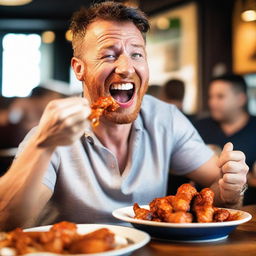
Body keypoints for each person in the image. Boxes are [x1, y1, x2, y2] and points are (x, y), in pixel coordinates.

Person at [0, 2, 248, 231]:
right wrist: (44, 144)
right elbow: (7, 222)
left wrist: (233, 188)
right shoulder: (55, 131)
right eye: (109, 55)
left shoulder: (165, 118)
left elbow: (221, 188)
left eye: (137, 54)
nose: (126, 68)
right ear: (79, 68)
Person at [194, 74, 256, 205]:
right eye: (211, 97)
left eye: (220, 96)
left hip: (248, 210)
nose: (212, 102)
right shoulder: (200, 126)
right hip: (203, 208)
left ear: (240, 99)